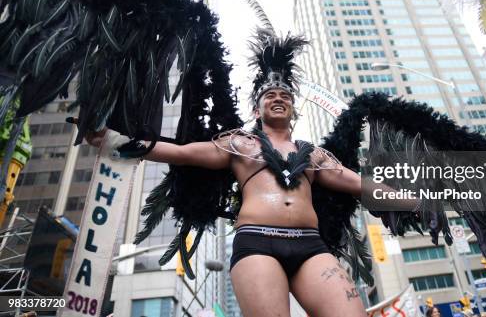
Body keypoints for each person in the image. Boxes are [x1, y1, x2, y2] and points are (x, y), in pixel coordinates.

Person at [85, 77, 419, 317]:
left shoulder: (314, 155)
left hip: (311, 246)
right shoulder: (241, 143)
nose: (278, 97)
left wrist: (416, 201)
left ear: (293, 110)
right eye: (270, 94)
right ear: (257, 109)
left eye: (285, 95)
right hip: (257, 243)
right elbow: (183, 152)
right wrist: (115, 141)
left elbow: (360, 184)